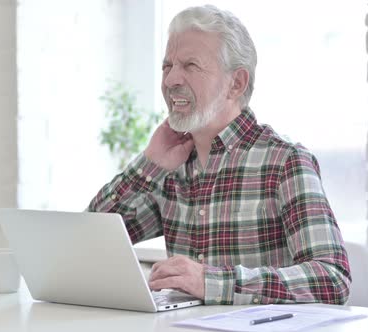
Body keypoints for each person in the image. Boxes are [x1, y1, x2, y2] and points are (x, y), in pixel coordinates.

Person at [88, 5, 351, 305]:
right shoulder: (168, 168)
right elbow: (90, 242)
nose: (171, 80)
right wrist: (148, 165)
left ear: (236, 83)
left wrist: (212, 282)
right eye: (167, 66)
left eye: (190, 66)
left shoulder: (284, 161)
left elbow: (333, 279)